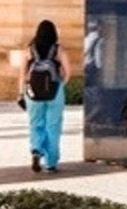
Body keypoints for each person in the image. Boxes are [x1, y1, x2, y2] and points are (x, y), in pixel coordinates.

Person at [20, 19, 72, 173]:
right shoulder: (58, 50)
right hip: (54, 92)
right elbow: (68, 72)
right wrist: (61, 85)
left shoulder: (29, 50)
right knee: (53, 126)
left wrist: (21, 93)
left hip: (33, 92)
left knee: (35, 123)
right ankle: (51, 163)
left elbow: (22, 75)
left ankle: (36, 149)